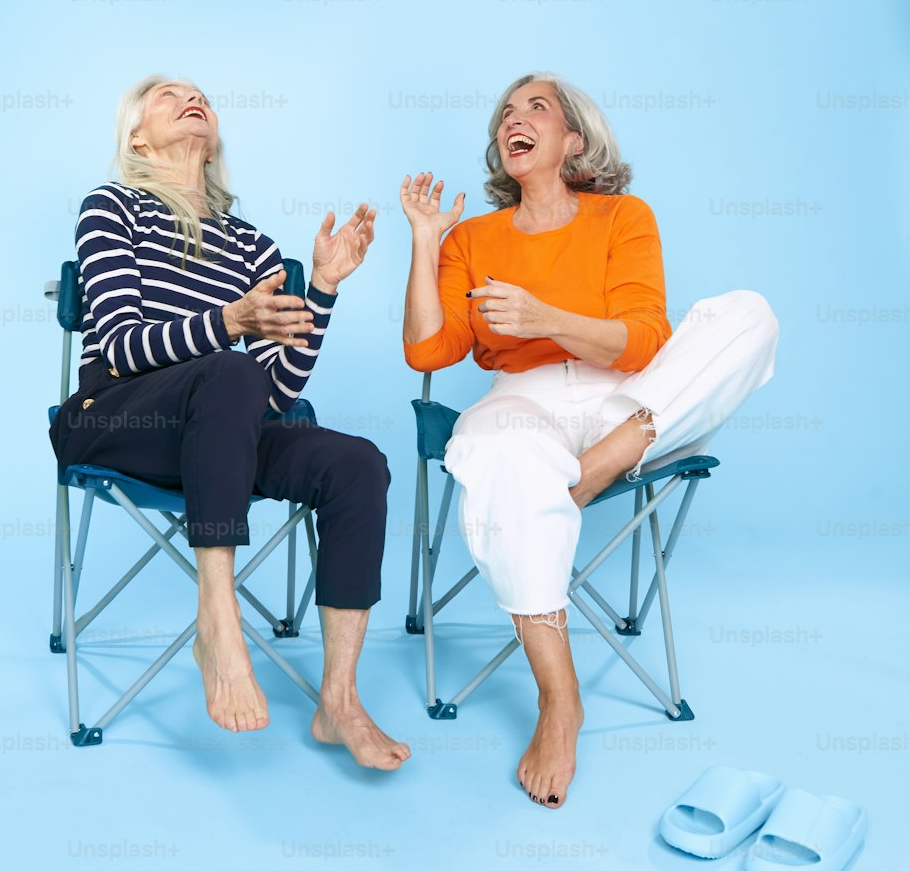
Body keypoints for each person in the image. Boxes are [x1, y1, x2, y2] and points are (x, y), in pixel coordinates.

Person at [401, 74, 778, 807]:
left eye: (535, 107)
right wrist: (425, 242)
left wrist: (546, 317)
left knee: (748, 314)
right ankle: (560, 697)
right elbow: (426, 351)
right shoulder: (472, 238)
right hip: (524, 403)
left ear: (574, 138)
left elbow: (642, 340)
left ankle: (603, 463)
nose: (515, 118)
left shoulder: (623, 217)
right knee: (502, 449)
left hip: (627, 400)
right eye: (506, 113)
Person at [50, 75, 410, 771]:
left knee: (357, 461)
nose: (193, 100)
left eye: (202, 97)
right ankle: (218, 614)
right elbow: (122, 348)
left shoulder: (252, 245)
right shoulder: (112, 208)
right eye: (167, 96)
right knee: (227, 368)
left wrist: (324, 290)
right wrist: (230, 322)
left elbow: (272, 394)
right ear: (136, 137)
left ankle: (339, 699)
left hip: (215, 424)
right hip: (115, 417)